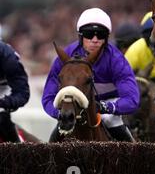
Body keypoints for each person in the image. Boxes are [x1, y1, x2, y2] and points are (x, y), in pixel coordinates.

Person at [42, 7, 138, 141]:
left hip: (107, 103)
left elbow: (132, 99)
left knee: (111, 121)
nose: (94, 39)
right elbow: (48, 97)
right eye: (89, 34)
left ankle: (133, 158)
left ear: (106, 38)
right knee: (57, 133)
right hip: (76, 105)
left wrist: (106, 107)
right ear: (80, 36)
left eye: (100, 34)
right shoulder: (66, 57)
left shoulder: (117, 60)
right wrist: (58, 113)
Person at [0, 41, 30, 142]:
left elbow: (22, 92)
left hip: (2, 89)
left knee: (1, 119)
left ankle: (18, 149)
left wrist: (5, 102)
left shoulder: (7, 55)